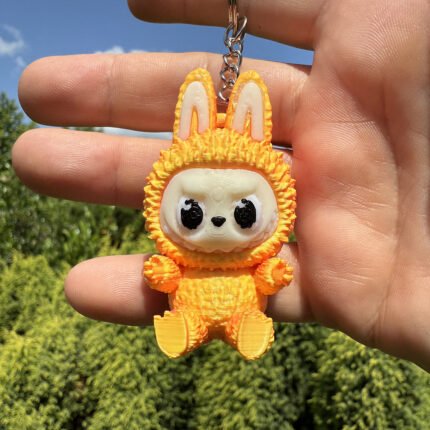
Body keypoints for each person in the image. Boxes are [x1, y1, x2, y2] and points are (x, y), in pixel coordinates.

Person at [12, 0, 430, 371]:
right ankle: (184, 326)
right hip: (189, 298)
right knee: (182, 318)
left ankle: (246, 327)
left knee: (247, 319)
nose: (215, 222)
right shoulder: (183, 250)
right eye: (191, 212)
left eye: (244, 212)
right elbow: (165, 279)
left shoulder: (256, 249)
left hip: (245, 302)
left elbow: (269, 279)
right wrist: (163, 274)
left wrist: (272, 274)